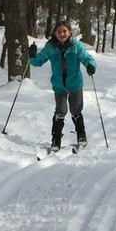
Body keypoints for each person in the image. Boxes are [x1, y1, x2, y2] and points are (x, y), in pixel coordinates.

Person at [28, 20, 96, 151]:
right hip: (59, 86)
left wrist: (91, 65)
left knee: (76, 110)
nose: (62, 34)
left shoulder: (77, 46)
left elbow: (86, 58)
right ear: (54, 33)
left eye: (64, 31)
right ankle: (56, 140)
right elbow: (38, 62)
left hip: (75, 84)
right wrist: (32, 55)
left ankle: (81, 136)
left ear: (70, 32)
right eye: (59, 31)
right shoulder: (50, 47)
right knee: (61, 111)